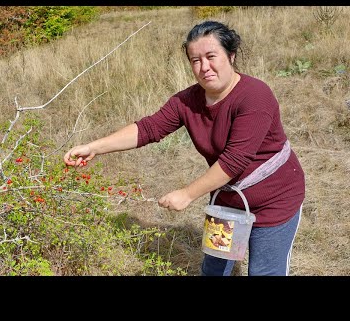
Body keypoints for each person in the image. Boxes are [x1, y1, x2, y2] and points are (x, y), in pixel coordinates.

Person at [63, 20, 305, 276]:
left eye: (211, 56)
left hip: (275, 200)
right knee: (214, 271)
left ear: (230, 55)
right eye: (195, 60)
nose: (204, 67)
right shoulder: (187, 101)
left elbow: (235, 160)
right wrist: (94, 147)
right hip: (226, 200)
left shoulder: (255, 95)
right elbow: (148, 129)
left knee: (264, 272)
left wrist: (187, 194)